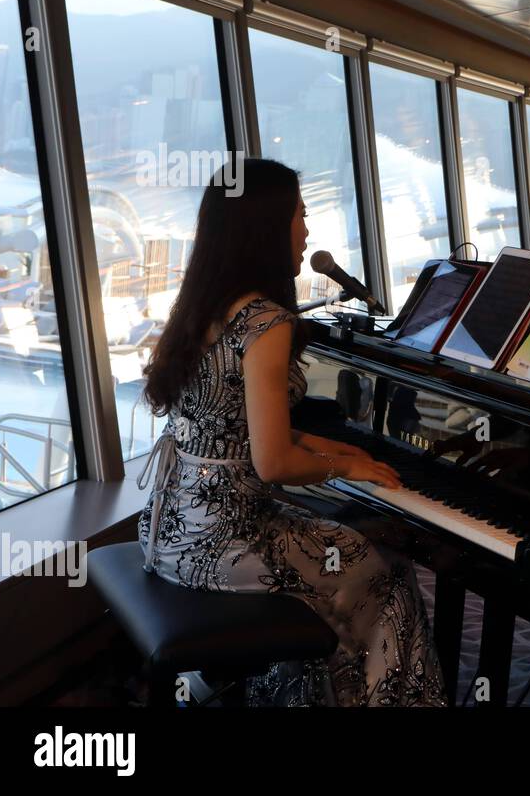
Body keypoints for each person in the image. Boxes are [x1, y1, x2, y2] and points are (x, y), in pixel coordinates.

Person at [137, 158, 446, 706]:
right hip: (226, 546)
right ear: (266, 225)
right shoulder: (268, 324)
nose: (306, 230)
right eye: (301, 214)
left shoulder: (198, 307)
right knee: (385, 569)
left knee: (331, 546)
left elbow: (235, 430)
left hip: (166, 532)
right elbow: (273, 464)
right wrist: (346, 465)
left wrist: (335, 448)